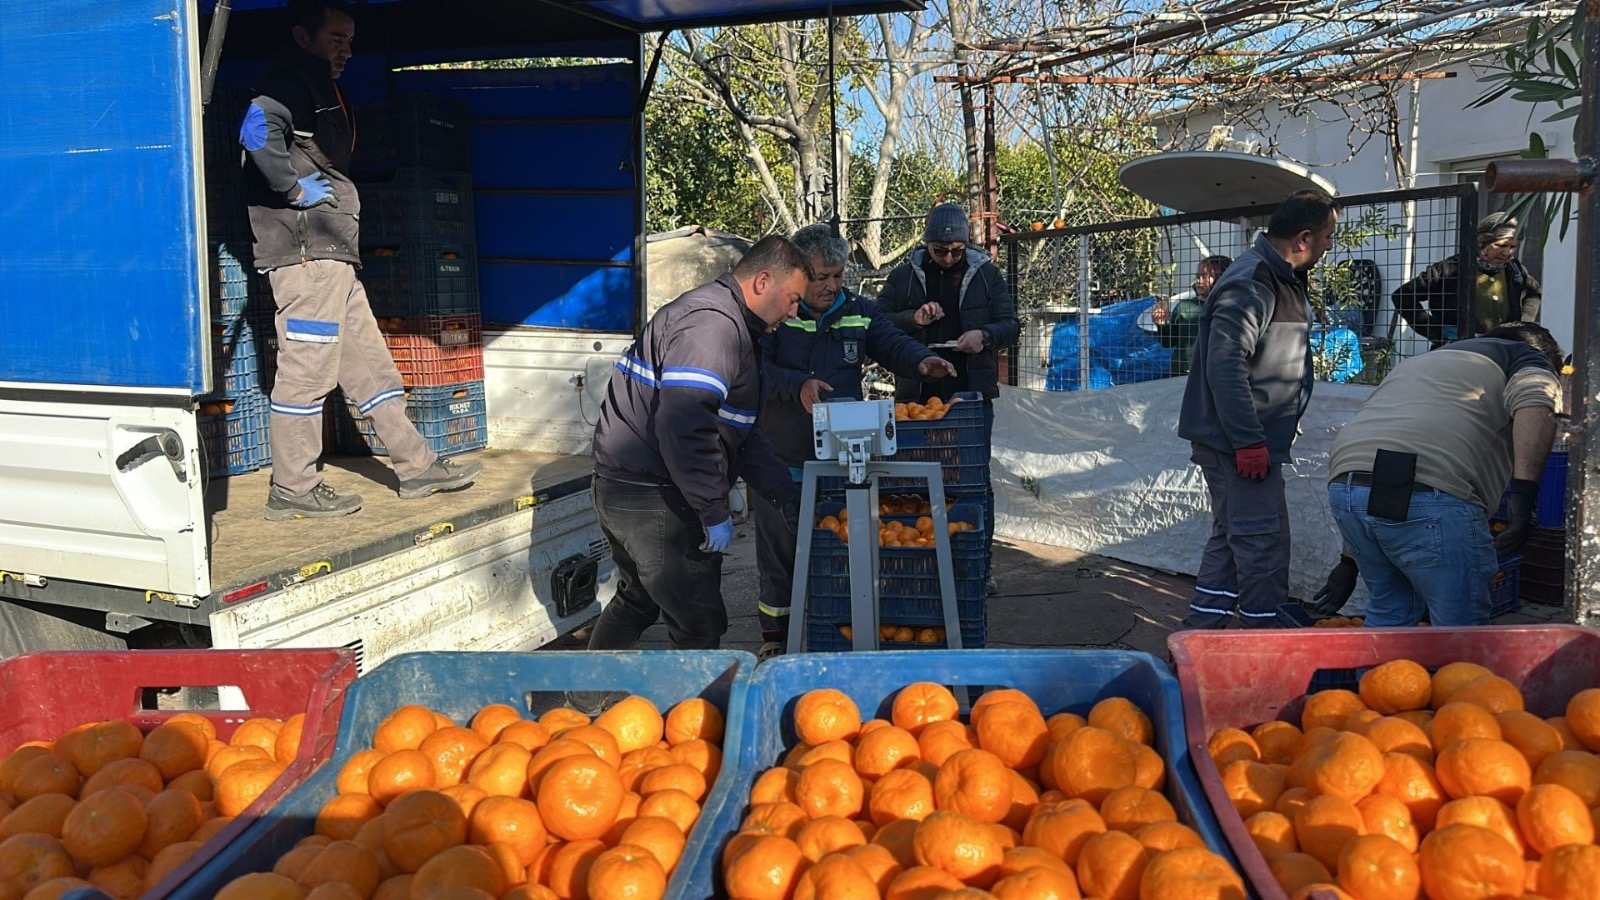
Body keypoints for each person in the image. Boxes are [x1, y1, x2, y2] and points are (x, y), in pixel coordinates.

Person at [241, 0, 479, 521]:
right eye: (336, 38)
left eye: (350, 39)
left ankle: (417, 465)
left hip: (334, 257)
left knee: (371, 365)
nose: (346, 49)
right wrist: (292, 188)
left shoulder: (319, 88)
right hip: (307, 257)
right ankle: (293, 487)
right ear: (302, 36)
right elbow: (255, 129)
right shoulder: (288, 82)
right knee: (307, 370)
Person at [576, 236, 811, 706]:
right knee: (698, 621)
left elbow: (738, 430)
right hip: (654, 494)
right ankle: (695, 728)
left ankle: (578, 705)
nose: (793, 312)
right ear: (763, 281)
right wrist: (712, 510)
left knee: (638, 599)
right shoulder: (712, 327)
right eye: (792, 299)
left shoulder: (734, 327)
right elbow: (685, 425)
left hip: (631, 486)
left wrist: (785, 493)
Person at [752, 225, 958, 659]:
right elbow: (756, 370)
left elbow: (891, 342)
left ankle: (836, 631)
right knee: (780, 555)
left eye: (837, 276)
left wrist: (923, 361)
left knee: (840, 546)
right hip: (782, 460)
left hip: (842, 460)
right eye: (821, 277)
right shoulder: (776, 316)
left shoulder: (858, 311)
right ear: (798, 274)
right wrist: (796, 385)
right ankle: (776, 639)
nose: (831, 286)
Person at [1308, 322, 1562, 627]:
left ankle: (1381, 661)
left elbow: (1380, 462)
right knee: (1459, 626)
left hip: (1346, 486)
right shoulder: (1526, 356)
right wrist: (1524, 499)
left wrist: (1349, 560)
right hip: (1431, 493)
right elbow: (1537, 400)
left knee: (1390, 611)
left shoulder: (1425, 362)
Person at [1176, 189, 1340, 629]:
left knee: (1233, 541)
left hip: (1244, 442)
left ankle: (1199, 641)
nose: (1329, 245)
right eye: (1328, 236)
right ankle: (1262, 646)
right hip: (1238, 446)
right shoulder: (1254, 280)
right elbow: (1226, 363)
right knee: (1262, 545)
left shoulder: (1279, 277)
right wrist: (1248, 441)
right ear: (1303, 238)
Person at [876, 203, 1020, 583]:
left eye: (957, 250)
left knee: (973, 480)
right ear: (926, 244)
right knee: (912, 481)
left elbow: (1010, 324)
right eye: (940, 251)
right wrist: (912, 319)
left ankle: (979, 564)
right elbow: (878, 322)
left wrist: (984, 336)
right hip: (917, 395)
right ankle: (919, 560)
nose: (949, 257)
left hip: (970, 393)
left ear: (966, 244)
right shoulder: (904, 276)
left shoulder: (987, 274)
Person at [1392, 211, 1542, 350]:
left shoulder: (1514, 269)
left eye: (1512, 247)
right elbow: (1403, 295)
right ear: (1481, 242)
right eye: (1500, 245)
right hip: (1458, 350)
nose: (1506, 252)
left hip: (1503, 348)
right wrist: (1435, 331)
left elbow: (1534, 293)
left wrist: (1523, 325)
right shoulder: (1450, 269)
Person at [1150, 255, 1232, 376]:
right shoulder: (1185, 307)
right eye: (1198, 276)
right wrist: (1161, 323)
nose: (1199, 281)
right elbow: (1168, 342)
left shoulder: (1230, 308)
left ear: (1221, 278)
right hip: (1182, 372)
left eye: (1205, 276)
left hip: (1215, 372)